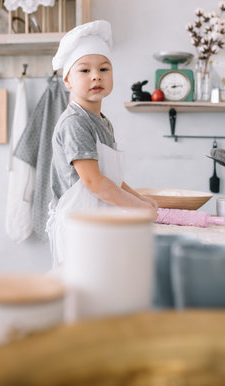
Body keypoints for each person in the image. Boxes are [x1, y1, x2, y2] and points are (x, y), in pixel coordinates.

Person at [46, 20, 158, 266]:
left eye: (104, 69)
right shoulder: (75, 122)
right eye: (84, 70)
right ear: (67, 81)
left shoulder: (103, 122)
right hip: (80, 226)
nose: (96, 75)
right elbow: (93, 182)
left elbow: (110, 177)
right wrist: (138, 208)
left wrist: (139, 199)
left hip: (97, 220)